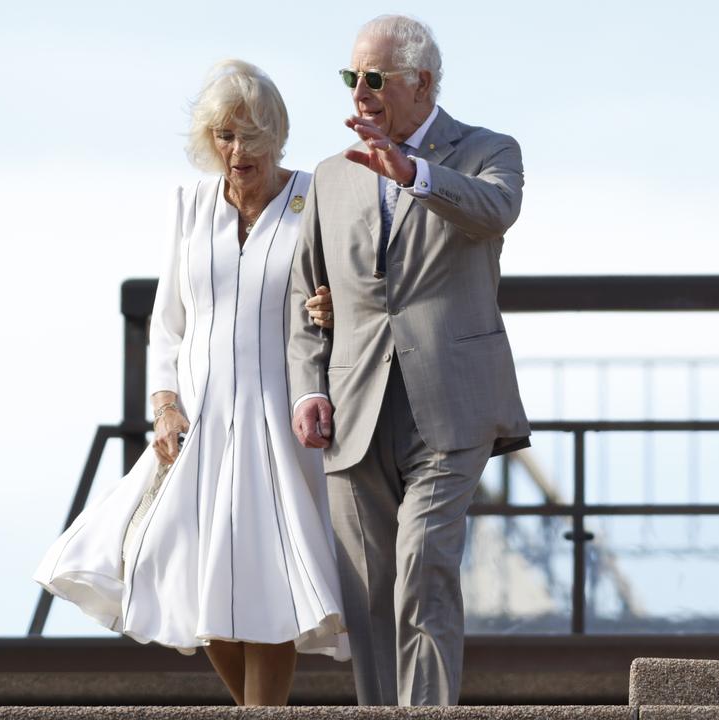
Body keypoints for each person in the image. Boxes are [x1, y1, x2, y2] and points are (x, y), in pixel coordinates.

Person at [33, 59, 348, 707]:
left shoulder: (314, 199)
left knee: (271, 586)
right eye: (226, 136)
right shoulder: (190, 205)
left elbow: (345, 296)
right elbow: (169, 323)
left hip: (281, 423)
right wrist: (164, 402)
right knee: (188, 575)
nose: (239, 151)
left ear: (277, 137)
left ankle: (265, 713)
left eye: (253, 136)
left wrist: (335, 309)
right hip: (198, 423)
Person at [287, 14, 530, 707]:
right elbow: (308, 291)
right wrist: (309, 387)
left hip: (450, 404)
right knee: (367, 588)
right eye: (351, 77)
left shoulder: (486, 151)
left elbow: (497, 210)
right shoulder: (330, 178)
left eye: (374, 78)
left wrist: (417, 174)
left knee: (424, 566)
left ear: (421, 83)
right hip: (355, 406)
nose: (360, 91)